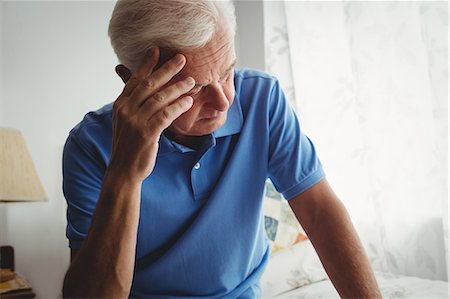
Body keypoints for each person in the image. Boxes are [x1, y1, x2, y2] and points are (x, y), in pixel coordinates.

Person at [62, 0, 382, 298]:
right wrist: (125, 174)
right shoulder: (89, 146)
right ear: (132, 82)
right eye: (196, 88)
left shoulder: (261, 98)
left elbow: (319, 211)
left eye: (227, 71)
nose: (223, 101)